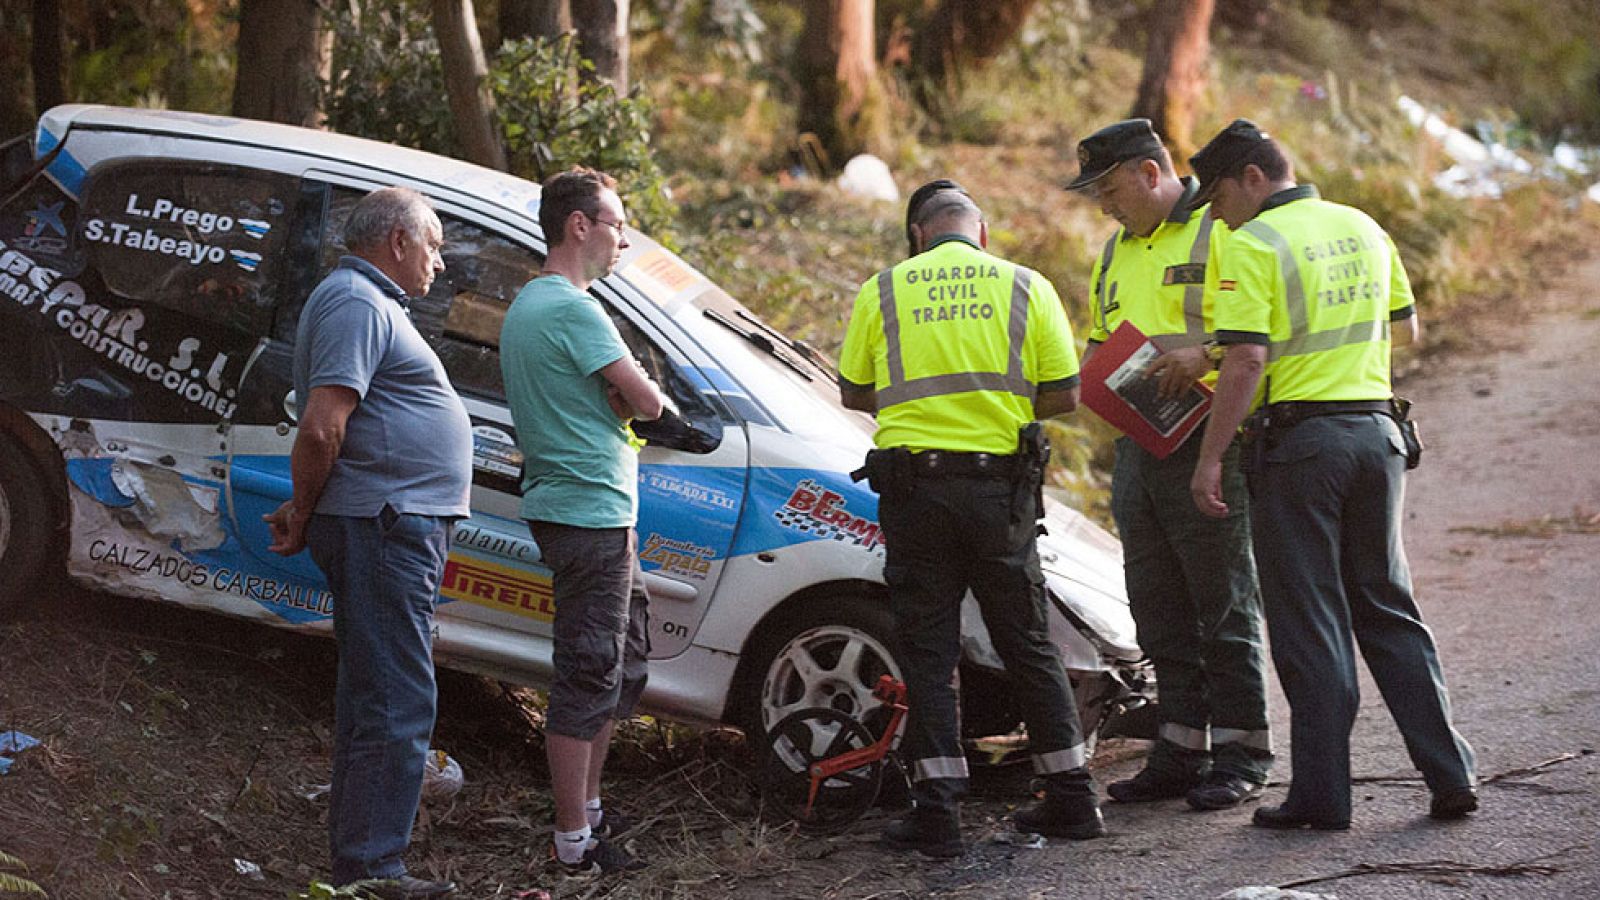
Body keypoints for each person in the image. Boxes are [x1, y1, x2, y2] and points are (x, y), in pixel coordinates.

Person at [1186, 119, 1478, 830]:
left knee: (1310, 620)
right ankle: (1451, 774)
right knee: (1386, 605)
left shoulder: (1254, 243)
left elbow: (1248, 361)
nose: (1217, 214)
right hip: (1377, 435)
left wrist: (1211, 456)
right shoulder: (1363, 225)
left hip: (1301, 448)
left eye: (1219, 197)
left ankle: (1321, 796)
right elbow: (1404, 326)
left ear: (1253, 178)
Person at [838, 179, 1104, 857]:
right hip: (1000, 496)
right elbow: (1066, 394)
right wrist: (994, 408)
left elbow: (852, 389)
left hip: (917, 494)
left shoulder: (885, 289)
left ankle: (939, 814)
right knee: (1029, 642)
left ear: (919, 236)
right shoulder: (1026, 286)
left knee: (930, 652)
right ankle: (1072, 798)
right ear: (980, 233)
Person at [265, 186, 469, 899]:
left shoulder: (365, 302)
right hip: (385, 525)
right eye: (435, 244)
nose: (439, 262)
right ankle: (374, 871)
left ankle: (361, 866)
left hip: (385, 522)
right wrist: (304, 507)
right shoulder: (357, 301)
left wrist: (307, 506)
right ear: (399, 241)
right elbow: (322, 427)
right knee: (396, 701)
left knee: (374, 697)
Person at [1064, 119, 1273, 811]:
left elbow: (1263, 328)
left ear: (1149, 173)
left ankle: (1243, 751)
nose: (1103, 204)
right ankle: (1182, 750)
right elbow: (1102, 341)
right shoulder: (1113, 253)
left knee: (1222, 601)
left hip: (1211, 441)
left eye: (1108, 188)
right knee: (1156, 604)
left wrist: (1208, 353)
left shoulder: (1222, 229)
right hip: (1139, 447)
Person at [500, 167, 666, 875]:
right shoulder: (572, 309)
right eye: (617, 224)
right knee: (589, 669)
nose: (623, 238)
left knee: (620, 661)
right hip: (586, 512)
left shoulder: (533, 304)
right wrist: (632, 394)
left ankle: (591, 809)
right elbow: (649, 402)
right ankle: (574, 841)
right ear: (579, 226)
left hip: (591, 509)